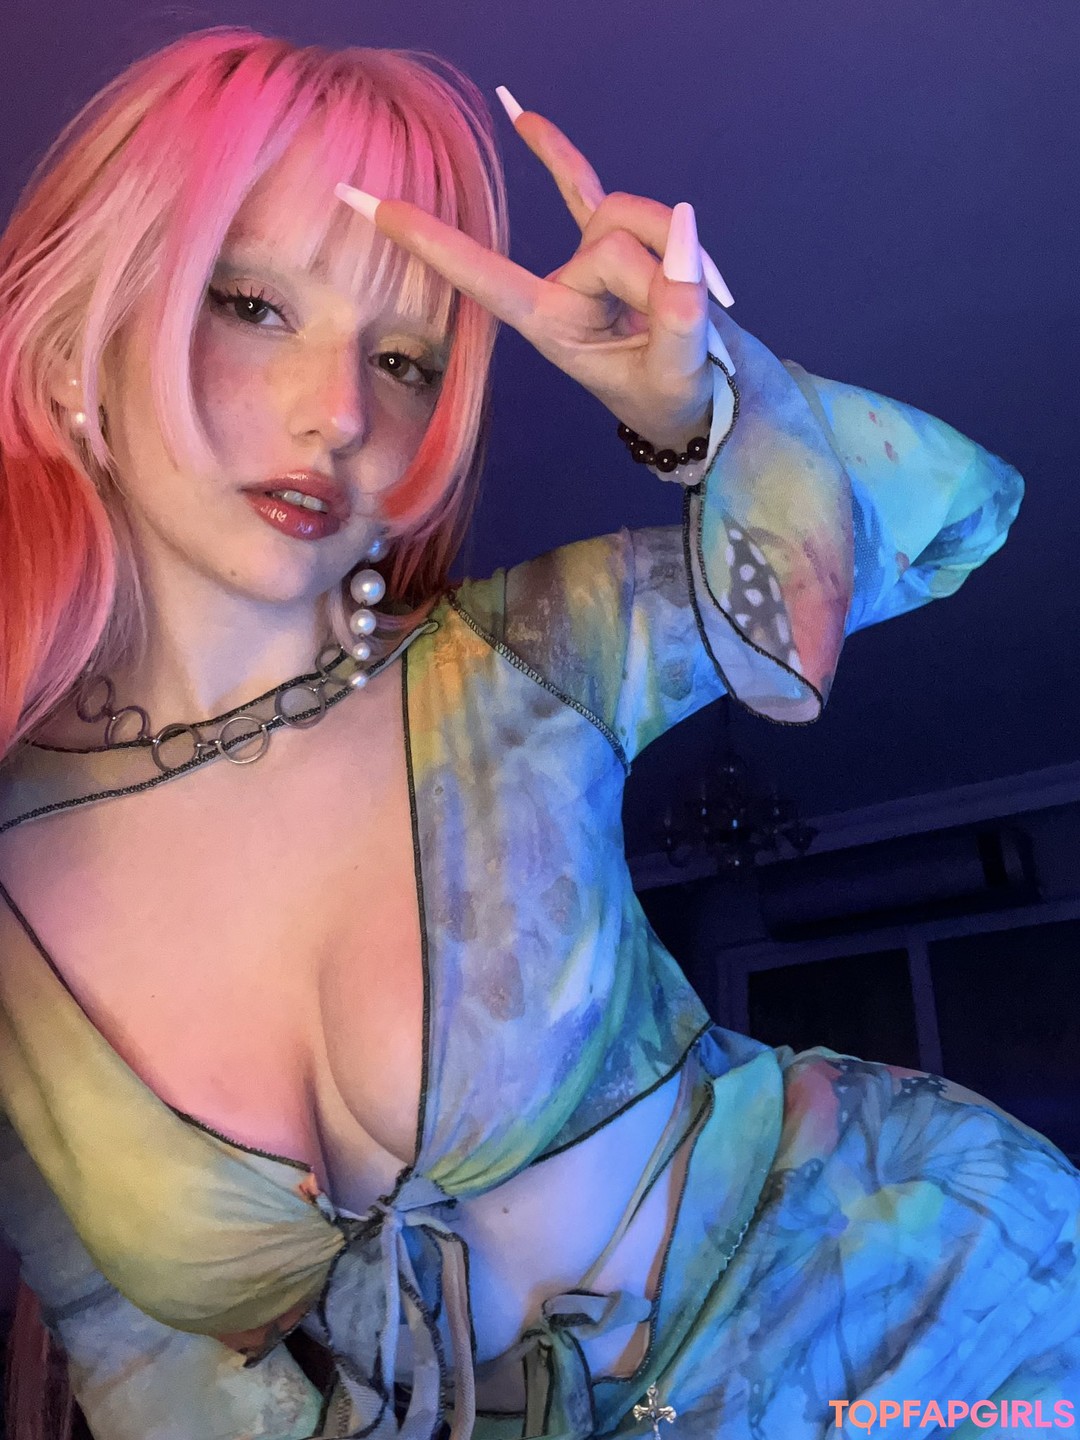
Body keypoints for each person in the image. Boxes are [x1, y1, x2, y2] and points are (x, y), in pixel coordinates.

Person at [0, 25, 1075, 1440]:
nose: (341, 413)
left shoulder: (513, 666)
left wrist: (710, 406)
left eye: (403, 358)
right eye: (251, 304)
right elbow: (136, 1354)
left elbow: (948, 519)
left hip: (925, 1325)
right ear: (75, 350)